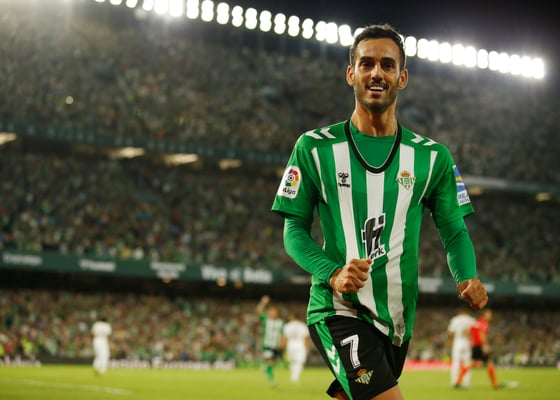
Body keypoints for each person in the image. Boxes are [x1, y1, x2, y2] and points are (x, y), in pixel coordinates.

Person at [271, 23, 489, 400]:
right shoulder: (314, 148)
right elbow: (294, 231)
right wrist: (333, 273)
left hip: (397, 321)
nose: (376, 72)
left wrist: (466, 275)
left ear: (402, 77)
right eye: (366, 63)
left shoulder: (433, 158)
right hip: (338, 310)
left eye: (387, 65)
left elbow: (454, 230)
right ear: (351, 73)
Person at [456, 309, 503, 389]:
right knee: (489, 363)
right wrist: (485, 345)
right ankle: (495, 384)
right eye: (489, 314)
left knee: (470, 363)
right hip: (481, 346)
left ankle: (458, 382)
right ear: (484, 314)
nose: (490, 315)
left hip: (475, 346)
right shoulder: (484, 323)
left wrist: (471, 340)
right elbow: (482, 334)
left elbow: (467, 332)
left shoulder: (475, 322)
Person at [256, 295, 284, 387]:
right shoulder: (266, 320)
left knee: (272, 363)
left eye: (275, 312)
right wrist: (263, 303)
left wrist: (282, 344)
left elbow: (283, 334)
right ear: (268, 313)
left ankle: (266, 369)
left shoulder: (281, 322)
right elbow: (258, 311)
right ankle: (272, 380)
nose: (273, 313)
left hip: (276, 346)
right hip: (267, 345)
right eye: (271, 312)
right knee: (270, 361)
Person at [447, 307, 475, 388]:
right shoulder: (471, 320)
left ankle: (454, 382)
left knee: (455, 363)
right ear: (467, 312)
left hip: (457, 342)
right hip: (467, 342)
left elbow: (450, 332)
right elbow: (473, 332)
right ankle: (466, 383)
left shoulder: (455, 319)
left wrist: (449, 341)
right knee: (467, 363)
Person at [280, 312, 311, 383]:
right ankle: (295, 377)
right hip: (300, 345)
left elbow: (285, 337)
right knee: (299, 361)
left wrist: (282, 346)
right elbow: (306, 337)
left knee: (292, 361)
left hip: (290, 345)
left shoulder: (288, 325)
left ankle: (293, 376)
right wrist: (307, 347)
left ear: (292, 317)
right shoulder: (302, 325)